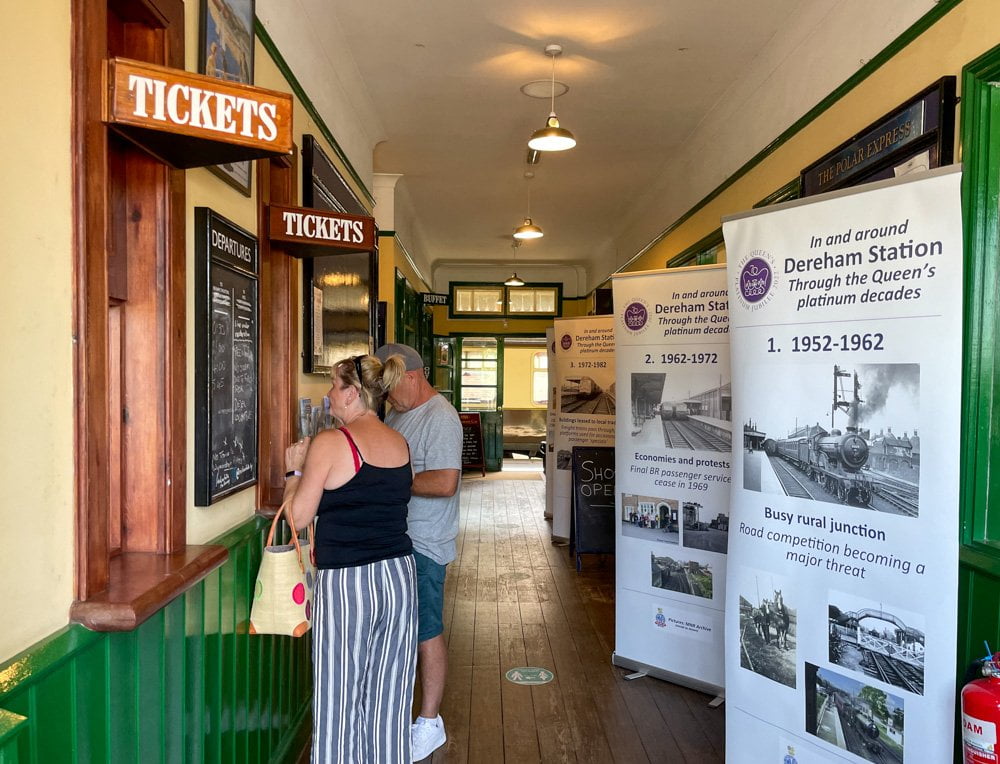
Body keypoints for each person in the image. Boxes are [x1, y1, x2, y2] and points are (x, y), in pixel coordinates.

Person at [283, 353, 416, 763]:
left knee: (338, 701)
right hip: (399, 578)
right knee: (389, 701)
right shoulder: (399, 442)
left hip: (347, 584)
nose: (328, 395)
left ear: (353, 394)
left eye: (334, 386)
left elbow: (298, 518)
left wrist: (294, 472)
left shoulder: (330, 444)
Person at [374, 343, 462, 762]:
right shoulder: (398, 412)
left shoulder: (440, 417)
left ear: (413, 375)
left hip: (425, 542)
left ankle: (430, 723)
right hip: (396, 538)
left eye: (392, 388)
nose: (389, 399)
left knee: (426, 630)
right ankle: (400, 713)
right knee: (403, 631)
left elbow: (445, 482)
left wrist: (393, 481)